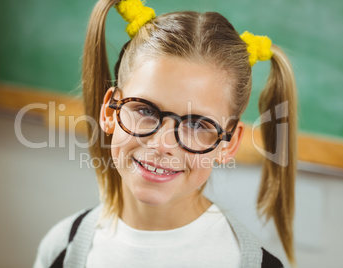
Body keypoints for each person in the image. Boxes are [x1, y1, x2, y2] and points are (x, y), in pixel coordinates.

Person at [34, 0, 297, 267]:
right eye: (145, 111)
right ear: (110, 112)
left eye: (197, 125)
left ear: (228, 143)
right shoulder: (61, 249)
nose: (162, 144)